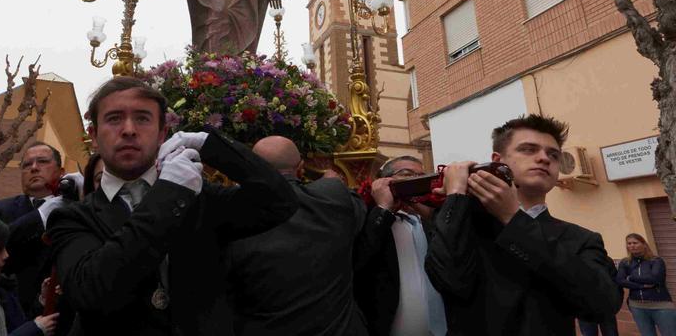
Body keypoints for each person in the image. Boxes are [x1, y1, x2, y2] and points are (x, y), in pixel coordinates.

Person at [47, 76, 299, 335]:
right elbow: (91, 293)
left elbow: (278, 202)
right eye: (114, 119)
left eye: (143, 118)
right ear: (94, 136)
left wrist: (210, 144)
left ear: (162, 134)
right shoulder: (71, 218)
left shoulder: (198, 198)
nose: (129, 129)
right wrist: (168, 192)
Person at [425, 114, 622, 335]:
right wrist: (455, 196)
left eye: (553, 155)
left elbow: (603, 305)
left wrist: (514, 219)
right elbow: (447, 279)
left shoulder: (581, 239)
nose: (544, 158)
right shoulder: (466, 223)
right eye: (528, 149)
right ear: (498, 161)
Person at [223, 136, 368, 336]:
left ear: (251, 169)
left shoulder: (230, 214)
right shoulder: (333, 196)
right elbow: (359, 213)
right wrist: (333, 183)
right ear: (300, 168)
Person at [354, 156, 447, 336]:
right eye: (407, 174)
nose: (416, 180)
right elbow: (359, 261)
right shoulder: (371, 219)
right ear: (384, 181)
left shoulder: (431, 220)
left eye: (421, 175)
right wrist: (383, 209)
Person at [0, 141, 66, 315]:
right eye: (27, 165)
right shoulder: (0, 209)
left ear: (61, 172)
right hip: (16, 312)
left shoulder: (77, 207)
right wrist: (43, 213)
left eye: (43, 161)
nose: (34, 168)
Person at [617, 233, 676, 336]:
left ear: (644, 244)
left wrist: (630, 278)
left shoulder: (656, 260)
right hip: (637, 306)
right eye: (629, 243)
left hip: (660, 305)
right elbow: (620, 280)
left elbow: (654, 279)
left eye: (635, 243)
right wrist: (641, 286)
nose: (632, 246)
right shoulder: (625, 262)